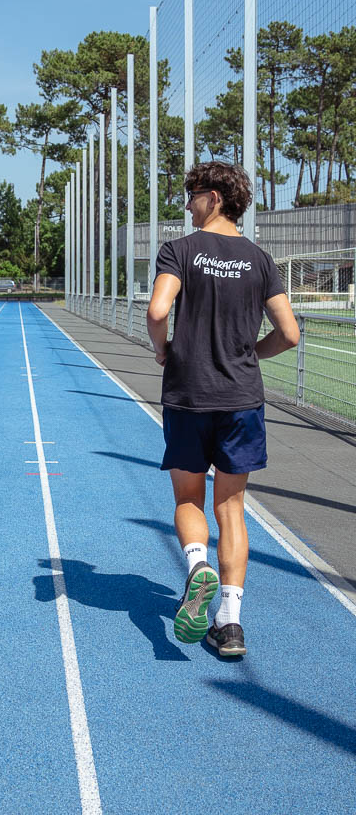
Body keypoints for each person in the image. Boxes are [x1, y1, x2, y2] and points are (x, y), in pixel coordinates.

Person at [146, 161, 299, 657]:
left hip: (190, 395)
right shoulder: (260, 259)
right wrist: (251, 353)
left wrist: (163, 350)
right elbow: (290, 334)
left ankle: (198, 566)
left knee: (189, 499)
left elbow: (157, 310)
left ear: (213, 198)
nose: (187, 205)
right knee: (231, 508)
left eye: (191, 195)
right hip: (241, 398)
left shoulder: (179, 250)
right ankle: (230, 624)